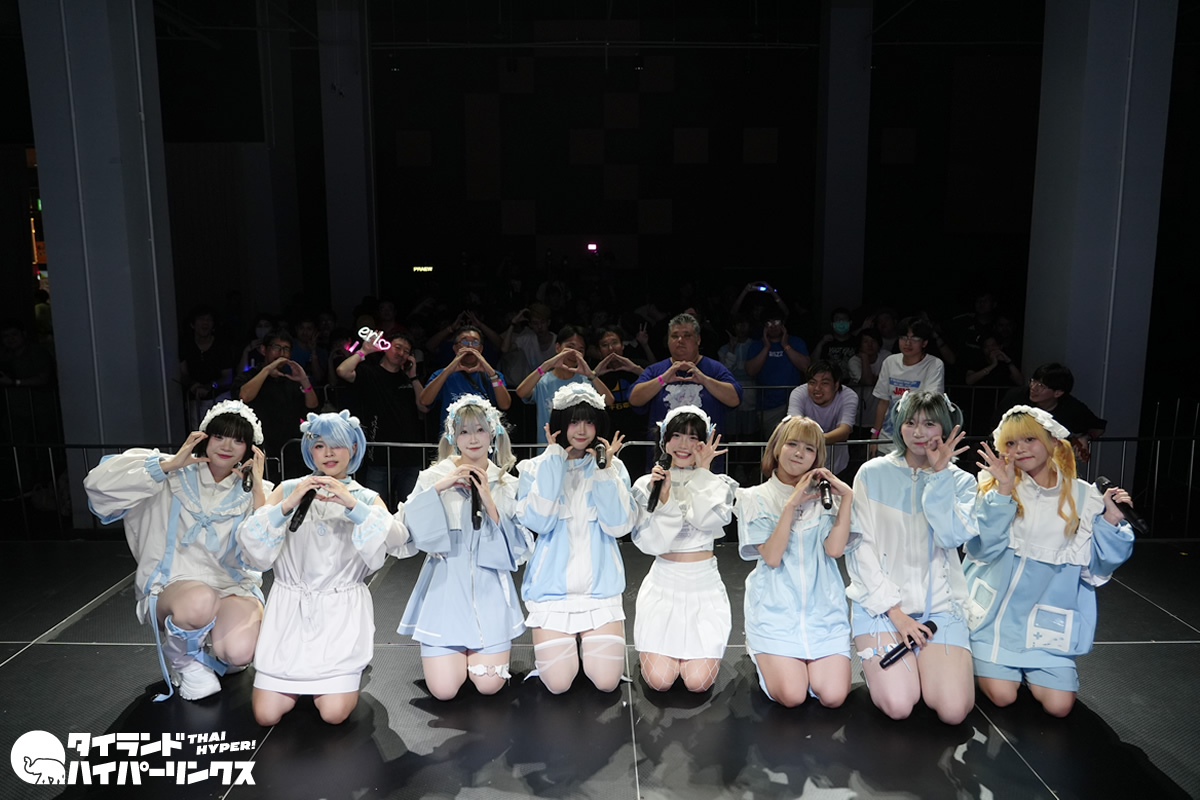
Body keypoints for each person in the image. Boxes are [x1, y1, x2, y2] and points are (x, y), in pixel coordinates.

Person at [83, 400, 269, 701]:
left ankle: (208, 648)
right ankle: (183, 660)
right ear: (205, 437)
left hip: (230, 586)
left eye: (238, 440)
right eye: (219, 436)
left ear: (249, 449)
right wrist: (166, 467)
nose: (227, 446)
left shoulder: (255, 490)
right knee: (199, 600)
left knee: (239, 653)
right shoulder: (171, 473)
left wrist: (258, 490)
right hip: (174, 585)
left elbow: (265, 553)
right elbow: (98, 486)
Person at [237, 411, 408, 725]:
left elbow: (397, 541)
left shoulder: (365, 497)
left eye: (337, 445)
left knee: (333, 714)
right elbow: (252, 544)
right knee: (265, 715)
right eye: (319, 445)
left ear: (353, 448)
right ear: (309, 449)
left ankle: (347, 673)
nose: (328, 453)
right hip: (288, 615)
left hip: (340, 615)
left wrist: (352, 505)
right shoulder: (289, 489)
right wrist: (288, 503)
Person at [966, 406, 1134, 717]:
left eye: (1029, 439)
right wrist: (1003, 491)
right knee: (1002, 696)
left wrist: (1111, 520)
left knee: (1059, 707)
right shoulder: (995, 485)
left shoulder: (1084, 497)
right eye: (1011, 443)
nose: (1020, 449)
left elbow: (1097, 569)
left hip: (1046, 624)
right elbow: (983, 549)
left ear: (1053, 441)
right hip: (995, 620)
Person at [847, 391, 978, 724]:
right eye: (910, 423)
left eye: (929, 423)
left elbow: (951, 536)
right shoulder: (871, 473)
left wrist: (940, 475)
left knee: (953, 711)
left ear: (945, 427)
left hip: (941, 609)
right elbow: (860, 548)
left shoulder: (961, 481)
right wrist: (896, 613)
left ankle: (927, 665)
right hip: (881, 608)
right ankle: (884, 671)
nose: (918, 432)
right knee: (899, 705)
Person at [398, 396, 530, 700]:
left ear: (492, 433)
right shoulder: (432, 477)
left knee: (489, 686)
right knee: (444, 691)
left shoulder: (507, 483)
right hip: (444, 590)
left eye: (480, 430)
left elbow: (519, 549)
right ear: (453, 437)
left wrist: (490, 502)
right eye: (464, 431)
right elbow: (405, 531)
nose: (473, 439)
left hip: (490, 591)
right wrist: (439, 488)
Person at [517, 384, 635, 693]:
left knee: (607, 683)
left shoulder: (613, 467)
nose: (581, 430)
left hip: (601, 592)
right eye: (573, 421)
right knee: (557, 685)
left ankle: (584, 650)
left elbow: (619, 526)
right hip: (551, 593)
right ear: (559, 424)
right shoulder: (535, 467)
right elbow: (538, 522)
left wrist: (604, 471)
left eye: (589, 422)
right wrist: (554, 463)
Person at [736, 416, 855, 708]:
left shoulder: (827, 498)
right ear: (777, 447)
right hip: (775, 612)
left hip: (824, 612)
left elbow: (834, 550)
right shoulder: (754, 497)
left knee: (834, 697)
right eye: (792, 444)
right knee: (792, 695)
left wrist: (848, 497)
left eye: (809, 449)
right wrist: (791, 504)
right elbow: (772, 556)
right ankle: (760, 648)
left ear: (817, 457)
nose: (799, 453)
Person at [629, 407, 735, 693]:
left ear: (705, 443)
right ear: (664, 441)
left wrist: (703, 473)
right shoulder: (646, 484)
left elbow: (707, 520)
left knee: (698, 683)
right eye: (676, 436)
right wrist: (663, 499)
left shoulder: (717, 484)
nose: (684, 445)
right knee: (660, 682)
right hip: (664, 584)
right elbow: (652, 544)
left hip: (704, 587)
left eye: (693, 437)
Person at [336, 331, 427, 505]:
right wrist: (364, 351)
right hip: (379, 455)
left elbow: (423, 405)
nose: (401, 353)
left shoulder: (408, 378)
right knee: (374, 507)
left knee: (412, 506)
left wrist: (413, 376)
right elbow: (342, 371)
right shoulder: (369, 372)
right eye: (397, 347)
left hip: (411, 455)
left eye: (406, 351)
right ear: (386, 347)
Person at [630, 313, 743, 447]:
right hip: (664, 452)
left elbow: (735, 399)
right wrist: (662, 379)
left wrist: (705, 380)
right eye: (674, 336)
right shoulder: (656, 371)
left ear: (698, 340)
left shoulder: (715, 369)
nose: (680, 340)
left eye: (687, 335)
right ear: (668, 341)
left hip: (704, 452)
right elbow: (634, 399)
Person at [236, 329, 320, 474]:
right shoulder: (249, 376)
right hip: (258, 447)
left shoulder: (291, 379)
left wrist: (304, 380)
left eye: (286, 349)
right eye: (276, 347)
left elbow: (312, 408)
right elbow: (244, 396)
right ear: (263, 350)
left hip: (289, 449)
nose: (281, 353)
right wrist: (267, 369)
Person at [514, 326, 614, 444]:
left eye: (580, 350)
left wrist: (591, 375)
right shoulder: (543, 381)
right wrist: (546, 365)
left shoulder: (586, 382)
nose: (574, 353)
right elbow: (521, 392)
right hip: (548, 449)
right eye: (570, 347)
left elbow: (609, 401)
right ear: (557, 347)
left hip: (579, 449)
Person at [995, 363, 1106, 462]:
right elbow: (995, 425)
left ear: (1058, 393)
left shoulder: (1071, 407)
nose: (1033, 388)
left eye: (1041, 386)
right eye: (1033, 381)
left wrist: (1086, 437)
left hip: (1050, 463)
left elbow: (1098, 427)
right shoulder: (1016, 397)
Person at [870, 317, 945, 454]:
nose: (908, 343)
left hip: (918, 441)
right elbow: (883, 402)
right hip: (887, 439)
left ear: (924, 343)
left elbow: (930, 404)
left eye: (914, 338)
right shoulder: (890, 362)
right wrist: (875, 435)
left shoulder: (934, 364)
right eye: (904, 337)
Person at [419, 325, 511, 429]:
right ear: (455, 348)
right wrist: (448, 370)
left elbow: (505, 405)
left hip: (484, 434)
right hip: (452, 434)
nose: (470, 346)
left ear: (481, 349)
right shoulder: (441, 374)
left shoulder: (495, 376)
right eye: (464, 342)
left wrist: (492, 374)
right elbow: (424, 401)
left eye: (475, 342)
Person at [786, 362, 859, 476]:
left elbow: (844, 431)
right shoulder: (799, 393)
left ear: (836, 385)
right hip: (803, 464)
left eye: (824, 383)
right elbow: (794, 427)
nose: (817, 388)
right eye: (812, 382)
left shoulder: (848, 396)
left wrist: (811, 440)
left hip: (836, 464)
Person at [745, 316, 811, 438]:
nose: (773, 326)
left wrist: (785, 345)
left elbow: (805, 367)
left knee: (795, 439)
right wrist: (766, 347)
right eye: (769, 323)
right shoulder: (757, 345)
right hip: (768, 404)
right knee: (773, 442)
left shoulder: (796, 342)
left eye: (776, 322)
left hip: (795, 402)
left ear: (783, 324)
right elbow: (750, 371)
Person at [594, 326, 645, 440]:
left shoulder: (638, 366)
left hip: (639, 433)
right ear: (599, 351)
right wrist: (594, 375)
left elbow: (660, 383)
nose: (611, 348)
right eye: (604, 345)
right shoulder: (594, 374)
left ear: (622, 345)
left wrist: (637, 370)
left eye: (615, 343)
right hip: (608, 435)